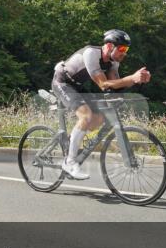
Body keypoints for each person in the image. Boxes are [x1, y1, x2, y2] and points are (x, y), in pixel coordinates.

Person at [50, 29, 151, 180]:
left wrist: (137, 81)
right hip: (62, 82)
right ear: (110, 46)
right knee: (86, 116)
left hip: (77, 86)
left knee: (99, 118)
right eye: (122, 48)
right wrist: (132, 78)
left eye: (127, 49)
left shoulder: (113, 62)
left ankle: (72, 143)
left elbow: (114, 87)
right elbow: (104, 84)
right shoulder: (91, 54)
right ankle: (69, 162)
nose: (125, 53)